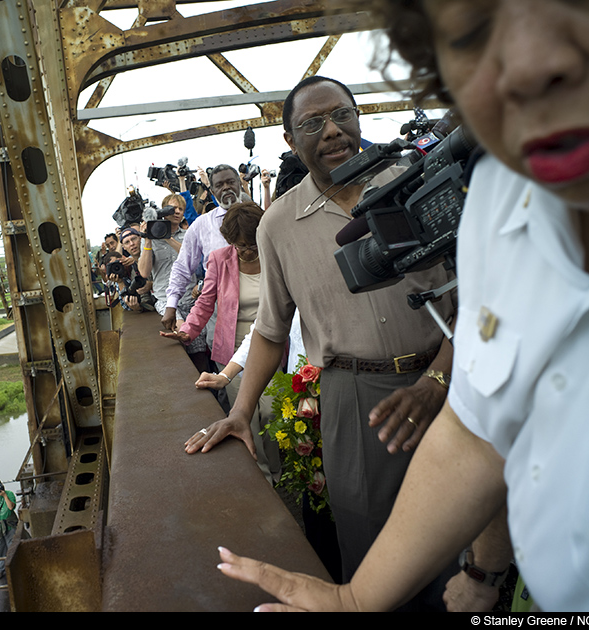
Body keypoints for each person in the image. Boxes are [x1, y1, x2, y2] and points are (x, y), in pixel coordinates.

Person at [215, 0, 589, 612]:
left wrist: (439, 377)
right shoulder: (498, 196)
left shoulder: (432, 182)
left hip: (433, 369)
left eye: (584, 8)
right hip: (356, 402)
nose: (526, 66)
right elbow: (481, 435)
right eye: (473, 37)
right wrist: (367, 597)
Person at [185, 75, 457, 609]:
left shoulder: (419, 187)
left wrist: (437, 380)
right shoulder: (280, 225)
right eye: (313, 123)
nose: (332, 130)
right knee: (369, 547)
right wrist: (240, 411)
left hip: (448, 381)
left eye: (344, 115)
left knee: (459, 541)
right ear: (291, 140)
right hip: (354, 401)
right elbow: (269, 331)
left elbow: (479, 302)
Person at [161, 202, 280, 483]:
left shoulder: (275, 255)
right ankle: (261, 476)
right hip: (232, 346)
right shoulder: (219, 259)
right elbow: (205, 301)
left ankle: (277, 470)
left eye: (253, 244)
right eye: (241, 246)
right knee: (246, 414)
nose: (249, 251)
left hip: (273, 344)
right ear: (231, 242)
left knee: (272, 410)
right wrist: (188, 330)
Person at [161, 164, 252, 336]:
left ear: (239, 184)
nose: (226, 187)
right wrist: (171, 304)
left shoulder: (257, 218)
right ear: (212, 189)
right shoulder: (202, 225)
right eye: (219, 185)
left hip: (259, 311)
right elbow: (182, 266)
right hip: (220, 317)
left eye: (230, 182)